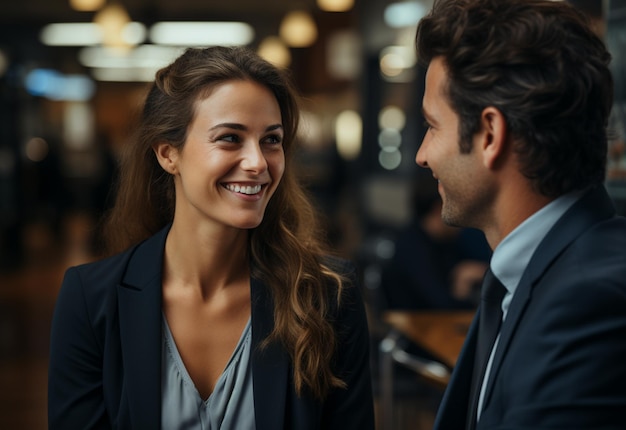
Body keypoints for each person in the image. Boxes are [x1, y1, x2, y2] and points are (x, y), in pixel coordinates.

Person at [47, 46, 375, 430]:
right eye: (230, 138)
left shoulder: (327, 295)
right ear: (169, 154)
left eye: (271, 140)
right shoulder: (91, 300)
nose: (257, 162)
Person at [413, 0, 626, 429]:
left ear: (490, 134)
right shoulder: (534, 271)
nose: (421, 155)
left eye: (433, 126)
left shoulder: (587, 301)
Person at [380, 171, 490, 311]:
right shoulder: (412, 247)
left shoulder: (446, 242)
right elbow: (441, 306)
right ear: (439, 207)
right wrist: (462, 285)